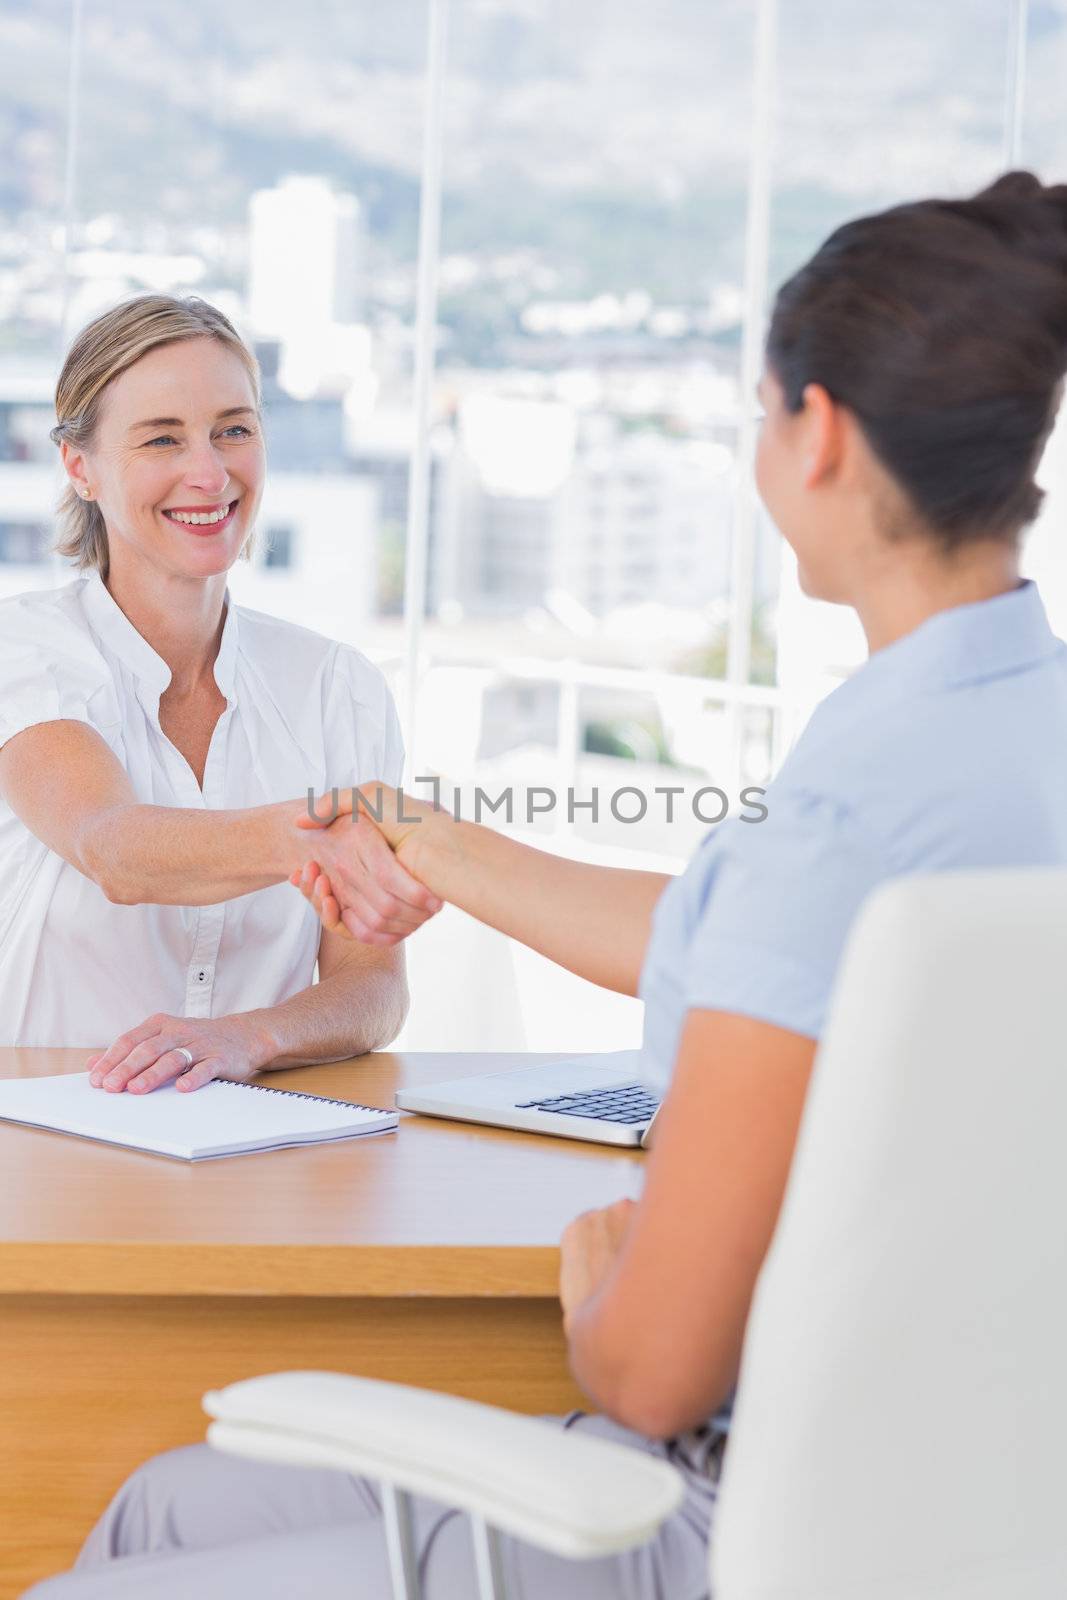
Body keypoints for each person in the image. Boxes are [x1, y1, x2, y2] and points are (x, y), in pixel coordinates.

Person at [26, 171, 1067, 1598]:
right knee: (160, 1507)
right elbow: (733, 932)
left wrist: (598, 1295)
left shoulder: (841, 805)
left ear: (812, 435)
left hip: (746, 1509)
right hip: (984, 1494)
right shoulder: (999, 733)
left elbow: (647, 1369)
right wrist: (419, 836)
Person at [0, 294, 439, 1089]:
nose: (209, 473)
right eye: (162, 438)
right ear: (80, 467)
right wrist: (314, 838)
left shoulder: (337, 688)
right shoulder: (23, 652)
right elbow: (113, 847)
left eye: (233, 430)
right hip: (40, 1139)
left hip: (254, 1141)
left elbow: (371, 986)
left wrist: (250, 1037)